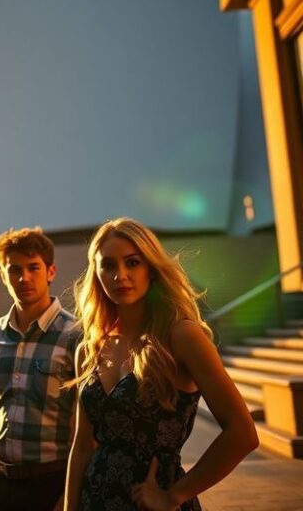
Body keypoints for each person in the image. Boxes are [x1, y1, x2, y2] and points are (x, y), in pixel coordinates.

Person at [64, 217, 259, 511]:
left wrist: (174, 495)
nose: (120, 276)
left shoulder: (181, 336)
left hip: (154, 504)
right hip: (95, 501)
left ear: (152, 270)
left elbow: (243, 433)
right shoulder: (89, 349)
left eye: (132, 263)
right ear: (96, 273)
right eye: (108, 265)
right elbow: (82, 446)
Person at [0, 227, 80, 511]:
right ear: (3, 276)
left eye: (33, 268)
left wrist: (69, 495)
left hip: (51, 481)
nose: (24, 278)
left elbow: (88, 423)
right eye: (14, 270)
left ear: (51, 271)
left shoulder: (76, 334)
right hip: (1, 483)